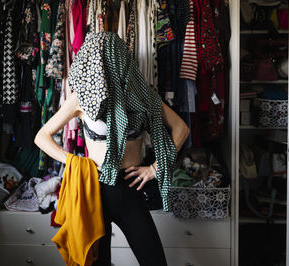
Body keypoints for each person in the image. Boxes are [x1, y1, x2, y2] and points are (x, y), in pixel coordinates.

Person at [35, 32, 190, 266]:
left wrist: (154, 169)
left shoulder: (142, 93)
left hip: (129, 187)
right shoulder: (82, 98)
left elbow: (181, 128)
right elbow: (42, 137)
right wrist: (75, 162)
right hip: (94, 188)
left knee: (155, 261)